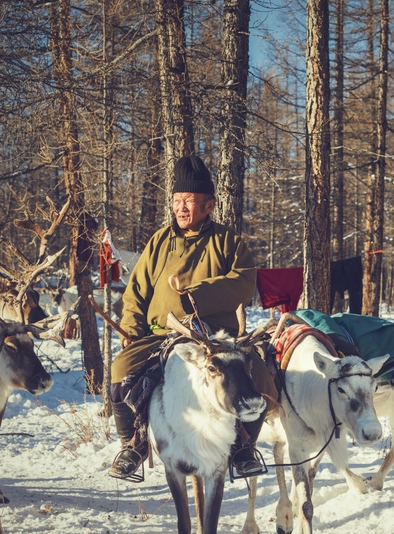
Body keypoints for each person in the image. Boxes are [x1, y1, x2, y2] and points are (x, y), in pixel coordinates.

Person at [108, 154, 276, 482]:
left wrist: (195, 294)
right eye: (177, 200)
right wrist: (130, 327)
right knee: (120, 370)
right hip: (160, 334)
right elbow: (136, 292)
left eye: (189, 200)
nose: (181, 207)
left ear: (209, 205)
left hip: (214, 339)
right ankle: (135, 444)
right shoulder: (159, 242)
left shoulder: (228, 242)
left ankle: (243, 448)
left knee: (256, 376)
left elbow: (245, 283)